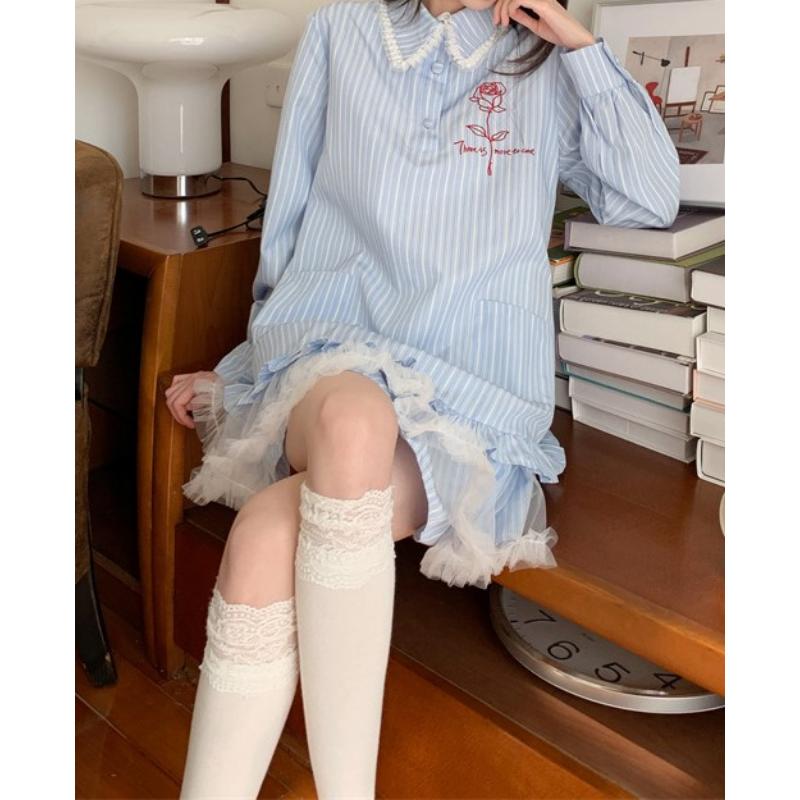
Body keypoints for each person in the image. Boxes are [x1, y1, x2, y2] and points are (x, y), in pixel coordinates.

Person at [166, 0, 681, 797]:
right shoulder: (343, 27)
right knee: (351, 420)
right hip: (335, 347)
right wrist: (248, 370)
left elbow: (649, 199)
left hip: (472, 392)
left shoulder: (544, 58)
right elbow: (292, 205)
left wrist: (578, 44)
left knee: (267, 534)